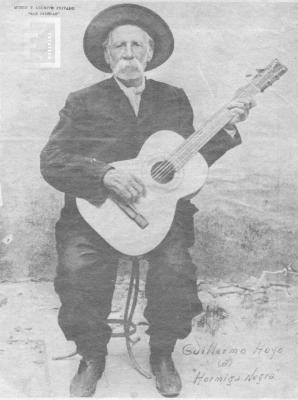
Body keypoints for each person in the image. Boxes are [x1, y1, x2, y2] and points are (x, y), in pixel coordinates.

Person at [40, 3, 255, 397]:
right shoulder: (82, 100)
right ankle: (92, 355)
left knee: (175, 268)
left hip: (160, 215)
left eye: (137, 46)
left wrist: (226, 130)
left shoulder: (172, 98)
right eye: (119, 46)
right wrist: (104, 174)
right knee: (77, 269)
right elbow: (52, 160)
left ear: (150, 53)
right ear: (106, 56)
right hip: (94, 214)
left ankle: (162, 353)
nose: (128, 54)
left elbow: (186, 161)